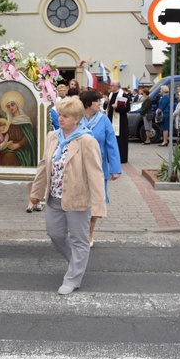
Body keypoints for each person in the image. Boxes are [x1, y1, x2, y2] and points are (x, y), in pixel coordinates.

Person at [29, 97, 106, 295]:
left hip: (78, 199)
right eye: (60, 114)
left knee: (80, 240)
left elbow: (96, 175)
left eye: (65, 116)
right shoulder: (53, 136)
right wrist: (36, 193)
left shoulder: (87, 141)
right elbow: (43, 165)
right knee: (55, 234)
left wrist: (98, 206)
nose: (60, 119)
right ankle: (77, 262)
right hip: (54, 198)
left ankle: (72, 278)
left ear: (77, 119)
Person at [80, 90, 121, 247]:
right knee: (80, 201)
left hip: (99, 167)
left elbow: (112, 144)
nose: (100, 103)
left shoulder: (104, 120)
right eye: (97, 101)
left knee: (96, 201)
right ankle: (79, 231)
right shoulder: (76, 119)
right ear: (88, 103)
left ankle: (90, 233)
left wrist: (115, 169)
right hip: (79, 167)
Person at [0, 91, 36, 167]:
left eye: (12, 105)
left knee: (9, 156)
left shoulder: (25, 120)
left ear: (17, 105)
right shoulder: (9, 120)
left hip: (21, 149)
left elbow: (28, 138)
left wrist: (18, 145)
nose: (11, 107)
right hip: (8, 147)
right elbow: (2, 122)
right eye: (8, 106)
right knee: (7, 155)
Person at [103, 80, 130, 163]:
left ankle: (122, 158)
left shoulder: (123, 95)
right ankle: (111, 157)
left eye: (111, 85)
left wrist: (117, 107)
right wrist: (106, 102)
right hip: (110, 120)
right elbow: (105, 107)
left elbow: (127, 108)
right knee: (111, 138)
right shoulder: (110, 95)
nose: (110, 87)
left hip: (120, 121)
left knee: (120, 140)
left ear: (116, 86)